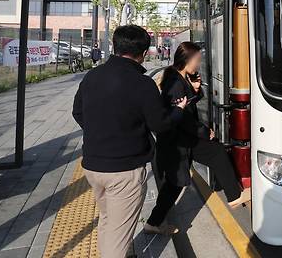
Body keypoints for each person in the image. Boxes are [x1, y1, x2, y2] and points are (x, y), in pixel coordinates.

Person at [72, 25, 185, 258]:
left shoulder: (92, 76)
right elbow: (160, 125)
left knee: (108, 220)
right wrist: (178, 111)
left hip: (93, 166)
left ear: (115, 46)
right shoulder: (142, 84)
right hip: (123, 170)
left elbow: (77, 112)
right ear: (143, 52)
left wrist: (101, 131)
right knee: (118, 231)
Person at [144, 41, 250, 234]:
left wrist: (195, 89)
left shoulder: (178, 78)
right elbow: (182, 116)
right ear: (188, 60)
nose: (199, 64)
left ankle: (154, 222)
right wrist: (204, 132)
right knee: (176, 183)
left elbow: (188, 104)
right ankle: (153, 222)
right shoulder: (175, 82)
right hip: (179, 142)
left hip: (183, 139)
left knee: (213, 156)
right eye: (198, 60)